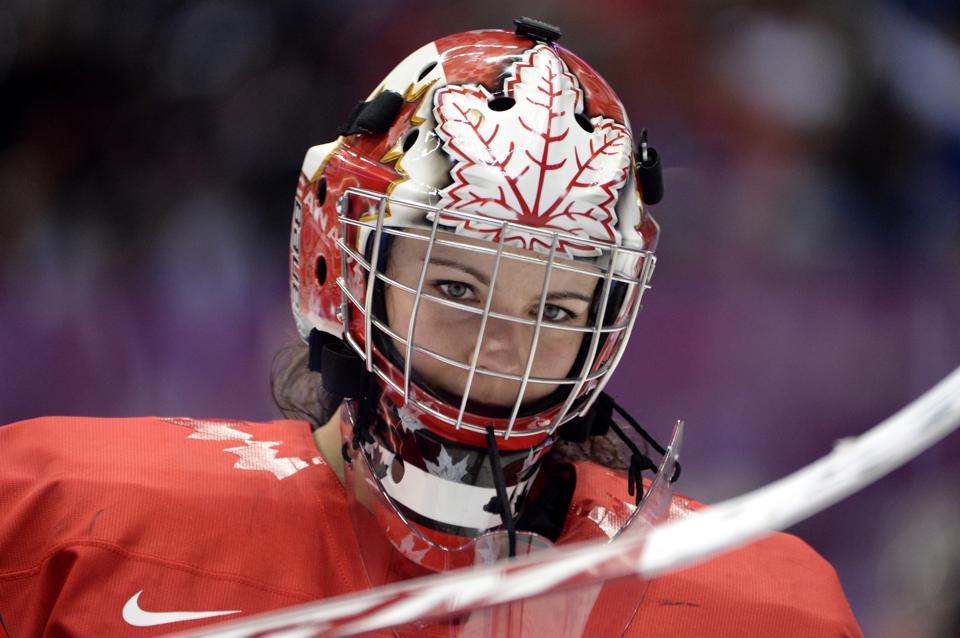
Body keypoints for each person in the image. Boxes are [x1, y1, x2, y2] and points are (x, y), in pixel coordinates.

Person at [0, 18, 861, 637]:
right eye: (457, 283)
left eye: (556, 307)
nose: (504, 346)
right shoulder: (64, 521)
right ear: (340, 265)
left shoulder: (764, 608)